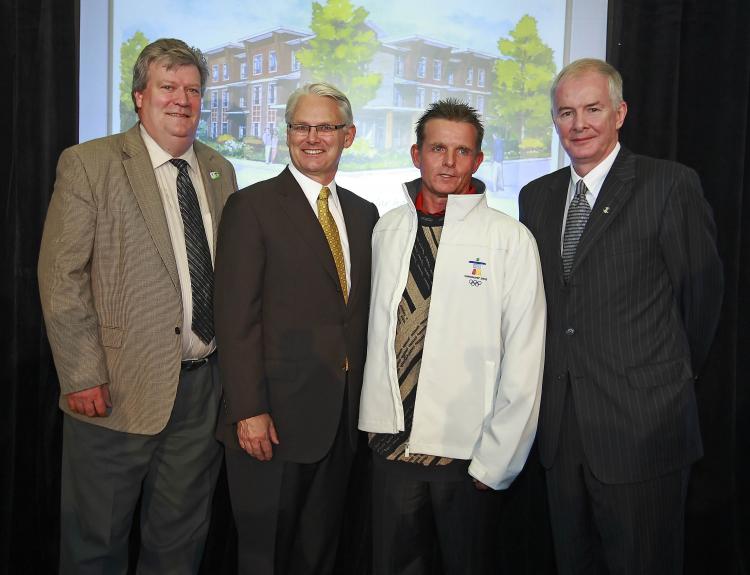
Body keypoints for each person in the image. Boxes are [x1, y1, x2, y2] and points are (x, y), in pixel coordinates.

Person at [38, 38, 237, 574]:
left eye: (193, 90)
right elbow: (61, 277)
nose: (182, 100)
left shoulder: (219, 170)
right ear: (139, 96)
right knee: (94, 546)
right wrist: (81, 374)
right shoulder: (89, 163)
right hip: (113, 390)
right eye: (168, 87)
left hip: (200, 393)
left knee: (179, 545)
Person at [519, 58, 723, 574]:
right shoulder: (535, 198)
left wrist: (662, 380)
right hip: (560, 435)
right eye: (566, 112)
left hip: (643, 431)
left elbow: (701, 300)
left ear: (620, 113)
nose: (579, 124)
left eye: (592, 109)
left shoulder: (668, 185)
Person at [359, 99, 546, 575]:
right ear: (415, 153)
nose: (448, 161)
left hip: (467, 459)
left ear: (478, 161)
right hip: (392, 449)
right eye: (437, 148)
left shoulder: (510, 239)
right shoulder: (387, 229)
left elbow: (525, 357)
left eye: (461, 151)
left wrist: (496, 460)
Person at [214, 82, 379, 574]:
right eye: (300, 126)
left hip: (341, 423)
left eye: (325, 127)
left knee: (320, 556)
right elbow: (235, 316)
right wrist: (249, 409)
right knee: (266, 558)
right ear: (286, 133)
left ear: (347, 136)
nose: (312, 137)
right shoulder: (252, 207)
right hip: (272, 426)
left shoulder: (363, 213)